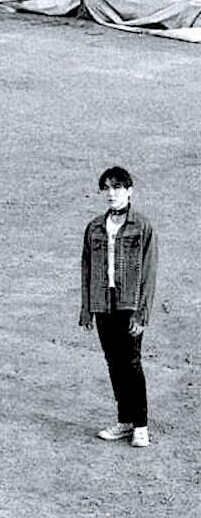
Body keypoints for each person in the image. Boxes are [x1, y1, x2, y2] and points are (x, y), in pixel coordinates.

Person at [80, 167, 158, 448]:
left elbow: (149, 272)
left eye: (117, 187)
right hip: (103, 303)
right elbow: (86, 269)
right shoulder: (94, 227)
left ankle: (140, 425)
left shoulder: (142, 226)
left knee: (132, 362)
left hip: (129, 304)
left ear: (129, 191)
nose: (111, 193)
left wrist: (142, 313)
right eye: (107, 188)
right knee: (113, 362)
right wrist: (87, 308)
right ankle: (124, 421)